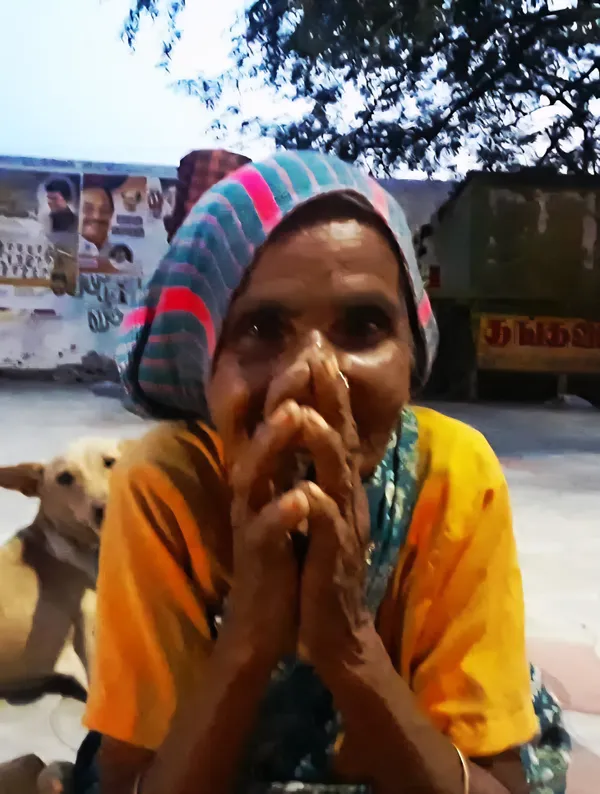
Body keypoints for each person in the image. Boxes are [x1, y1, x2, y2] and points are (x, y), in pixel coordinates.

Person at [77, 151, 569, 794]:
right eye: (260, 327)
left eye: (363, 325)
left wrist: (350, 646)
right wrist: (249, 634)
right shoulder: (165, 489)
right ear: (207, 367)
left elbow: (498, 783)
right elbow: (130, 780)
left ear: (410, 354)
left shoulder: (449, 475)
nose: (314, 376)